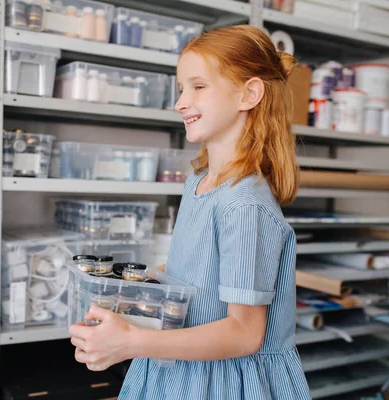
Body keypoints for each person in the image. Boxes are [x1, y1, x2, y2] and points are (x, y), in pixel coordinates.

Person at [68, 24, 311, 399]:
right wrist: (136, 285)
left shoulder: (244, 205)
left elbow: (244, 333)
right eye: (182, 88)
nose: (181, 102)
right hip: (178, 367)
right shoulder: (198, 182)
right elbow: (200, 272)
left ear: (249, 93)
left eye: (198, 87)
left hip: (225, 383)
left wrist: (132, 341)